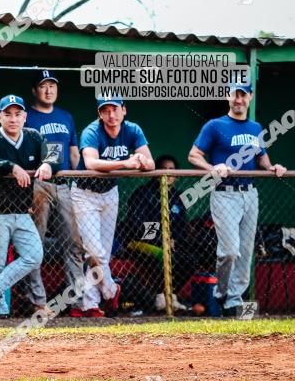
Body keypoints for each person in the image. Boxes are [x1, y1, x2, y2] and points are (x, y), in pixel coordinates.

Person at [188, 83, 287, 317]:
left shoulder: (255, 128)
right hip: (225, 193)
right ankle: (221, 294)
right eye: (235, 94)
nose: (239, 99)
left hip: (250, 193)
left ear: (250, 97)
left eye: (243, 95)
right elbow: (193, 155)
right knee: (229, 251)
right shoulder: (215, 125)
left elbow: (262, 157)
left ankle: (235, 300)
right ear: (228, 96)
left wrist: (272, 167)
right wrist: (213, 167)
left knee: (245, 250)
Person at [71, 97, 154, 317]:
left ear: (124, 110)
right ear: (100, 114)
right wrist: (125, 163)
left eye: (115, 109)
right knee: (93, 250)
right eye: (105, 110)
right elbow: (91, 163)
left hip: (109, 194)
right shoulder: (92, 131)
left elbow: (151, 163)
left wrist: (141, 161)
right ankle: (110, 290)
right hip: (84, 194)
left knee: (104, 254)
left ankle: (91, 304)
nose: (111, 115)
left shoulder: (133, 130)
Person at [0, 94, 55, 317]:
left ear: (25, 117)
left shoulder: (33, 137)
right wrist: (11, 167)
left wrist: (48, 163)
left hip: (21, 211)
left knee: (34, 255)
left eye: (18, 114)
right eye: (8, 114)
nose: (13, 119)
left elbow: (54, 155)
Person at [24, 70, 83, 311]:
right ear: (34, 90)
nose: (48, 90)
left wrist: (72, 175)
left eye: (52, 85)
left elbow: (74, 151)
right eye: (43, 86)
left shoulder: (66, 116)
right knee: (34, 244)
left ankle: (77, 302)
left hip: (62, 184)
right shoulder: (26, 117)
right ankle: (37, 301)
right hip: (37, 184)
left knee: (73, 243)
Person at [119, 154, 195, 310]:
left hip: (169, 244)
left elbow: (181, 227)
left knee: (191, 258)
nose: (167, 174)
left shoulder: (177, 197)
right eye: (163, 169)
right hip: (138, 243)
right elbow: (137, 227)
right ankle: (162, 297)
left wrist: (175, 240)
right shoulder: (143, 193)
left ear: (177, 175)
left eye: (171, 170)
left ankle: (167, 296)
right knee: (163, 255)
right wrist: (162, 239)